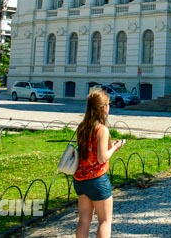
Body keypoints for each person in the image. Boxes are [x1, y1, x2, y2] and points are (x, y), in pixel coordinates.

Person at [73, 88, 126, 238]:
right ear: (103, 108)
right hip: (97, 179)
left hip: (80, 178)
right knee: (104, 221)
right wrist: (115, 147)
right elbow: (102, 158)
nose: (110, 106)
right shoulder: (101, 129)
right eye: (109, 104)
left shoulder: (82, 127)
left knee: (83, 221)